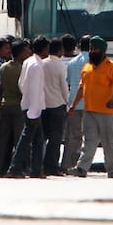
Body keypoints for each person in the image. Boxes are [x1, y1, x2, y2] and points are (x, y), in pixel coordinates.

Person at [67, 35, 113, 179]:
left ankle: (112, 170)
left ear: (103, 51)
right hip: (89, 110)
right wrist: (73, 105)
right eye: (91, 49)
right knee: (89, 141)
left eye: (96, 49)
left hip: (106, 111)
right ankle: (82, 168)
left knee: (109, 142)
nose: (93, 51)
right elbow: (81, 88)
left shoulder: (112, 67)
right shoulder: (86, 68)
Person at [6, 36, 49, 179]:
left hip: (28, 105)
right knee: (26, 139)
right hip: (33, 108)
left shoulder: (29, 61)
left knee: (38, 139)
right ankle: (15, 168)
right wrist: (34, 112)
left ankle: (36, 170)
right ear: (43, 49)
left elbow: (21, 83)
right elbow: (35, 90)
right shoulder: (37, 66)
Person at [0, 40, 30, 177]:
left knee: (1, 140)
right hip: (18, 106)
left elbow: (0, 86)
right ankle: (19, 168)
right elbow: (24, 89)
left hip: (4, 104)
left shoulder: (3, 67)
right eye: (26, 51)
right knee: (19, 140)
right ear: (20, 54)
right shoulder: (23, 69)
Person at [61, 35, 89, 170]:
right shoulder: (94, 63)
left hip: (73, 102)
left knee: (73, 136)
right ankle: (82, 164)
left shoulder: (72, 63)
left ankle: (67, 164)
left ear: (79, 46)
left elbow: (69, 83)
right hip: (90, 103)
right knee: (90, 136)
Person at [42, 37, 68, 176]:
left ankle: (40, 164)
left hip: (43, 105)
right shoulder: (60, 65)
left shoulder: (42, 63)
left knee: (43, 136)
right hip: (57, 104)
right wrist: (67, 102)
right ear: (59, 50)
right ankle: (51, 166)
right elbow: (63, 87)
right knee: (55, 138)